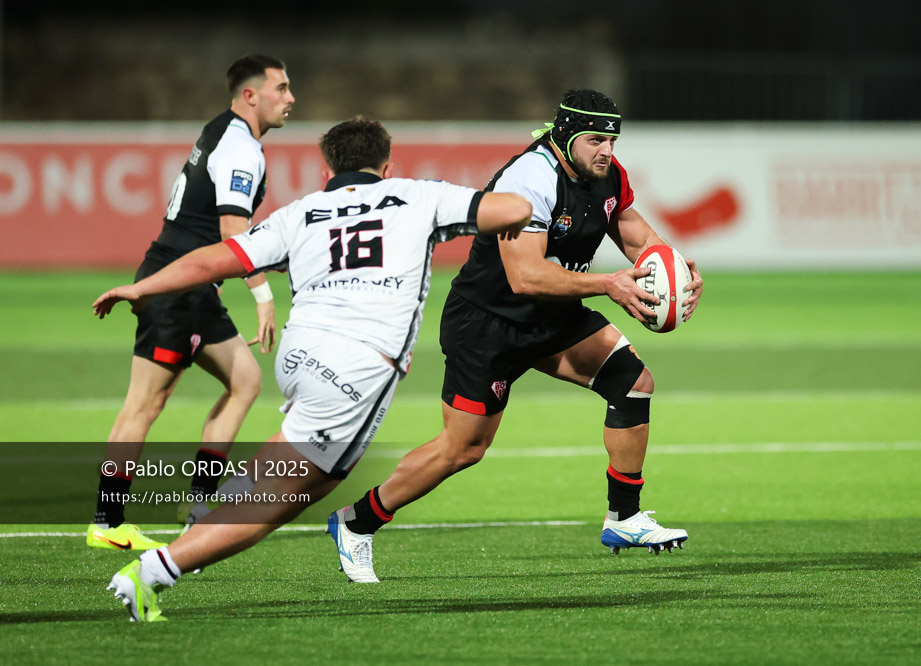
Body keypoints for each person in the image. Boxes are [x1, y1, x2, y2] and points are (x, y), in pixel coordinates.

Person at [96, 116, 531, 621]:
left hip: (299, 357)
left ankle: (216, 511)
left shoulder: (301, 212)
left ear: (326, 168)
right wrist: (512, 220)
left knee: (316, 478)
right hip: (355, 368)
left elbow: (214, 260)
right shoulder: (418, 196)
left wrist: (143, 287)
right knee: (276, 505)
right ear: (386, 164)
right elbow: (514, 207)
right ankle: (153, 572)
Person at [331, 89, 705, 583]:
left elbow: (636, 235)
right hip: (488, 324)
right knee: (463, 449)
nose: (607, 150)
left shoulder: (607, 175)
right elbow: (525, 276)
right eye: (596, 139)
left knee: (633, 381)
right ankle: (355, 523)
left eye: (613, 139)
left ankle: (625, 518)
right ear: (567, 134)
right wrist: (608, 284)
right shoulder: (528, 180)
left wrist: (672, 270)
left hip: (553, 316)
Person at [85, 54, 296, 552]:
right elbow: (232, 231)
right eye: (281, 88)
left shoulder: (222, 131)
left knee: (244, 380)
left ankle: (199, 504)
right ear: (251, 95)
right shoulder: (241, 147)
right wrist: (264, 296)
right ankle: (107, 521)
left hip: (195, 290)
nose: (290, 98)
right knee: (145, 403)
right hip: (175, 288)